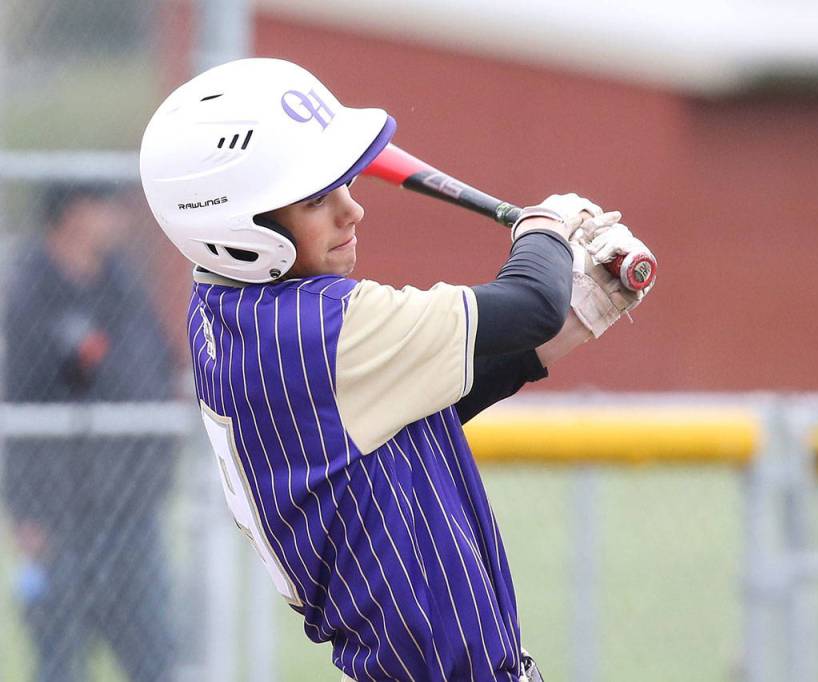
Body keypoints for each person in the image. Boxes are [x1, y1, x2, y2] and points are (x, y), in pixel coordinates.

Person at [138, 57, 653, 682]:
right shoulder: (317, 328)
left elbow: (420, 408)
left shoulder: (229, 312)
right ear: (234, 227)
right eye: (317, 200)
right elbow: (528, 304)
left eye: (344, 186)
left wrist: (583, 309)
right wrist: (542, 225)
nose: (352, 212)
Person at [1, 181, 178, 681]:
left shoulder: (122, 286)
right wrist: (27, 512)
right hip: (59, 517)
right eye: (104, 206)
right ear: (73, 214)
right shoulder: (32, 295)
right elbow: (21, 403)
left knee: (155, 657)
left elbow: (154, 369)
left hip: (131, 510)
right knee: (60, 659)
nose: (117, 218)